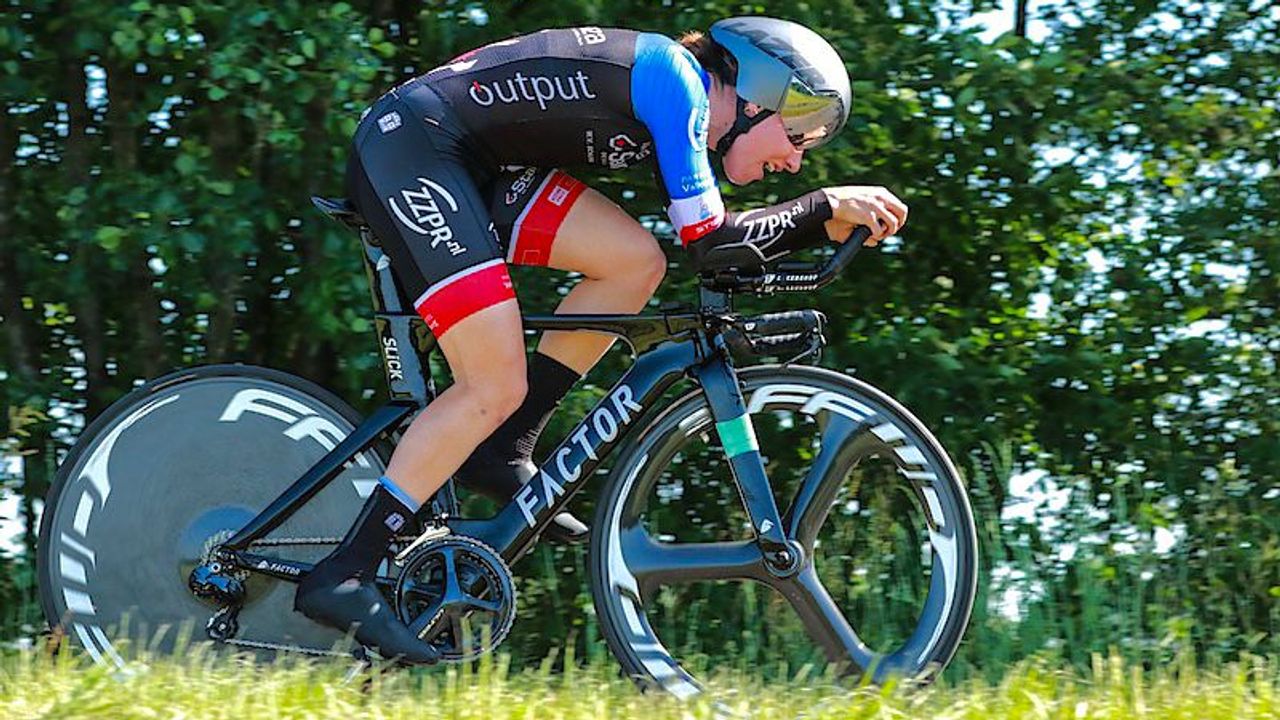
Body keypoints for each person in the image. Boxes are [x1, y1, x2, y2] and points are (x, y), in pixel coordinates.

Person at [293, 16, 909, 664]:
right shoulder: (678, 83)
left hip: (471, 164)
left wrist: (817, 218)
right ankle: (346, 574)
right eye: (799, 133)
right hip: (416, 150)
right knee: (491, 383)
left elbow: (711, 251)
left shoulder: (681, 96)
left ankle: (506, 444)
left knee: (634, 262)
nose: (795, 159)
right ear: (755, 95)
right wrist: (821, 207)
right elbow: (711, 244)